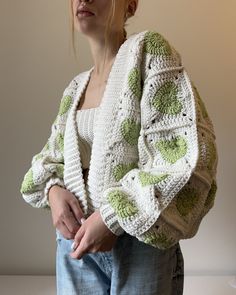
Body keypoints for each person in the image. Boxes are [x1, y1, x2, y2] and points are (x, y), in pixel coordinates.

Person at [20, 0, 218, 294]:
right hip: (75, 244)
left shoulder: (149, 53)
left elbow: (186, 157)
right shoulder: (75, 88)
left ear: (131, 4)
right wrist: (53, 190)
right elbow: (49, 160)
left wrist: (113, 217)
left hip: (140, 242)